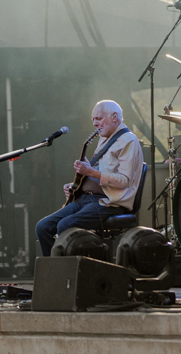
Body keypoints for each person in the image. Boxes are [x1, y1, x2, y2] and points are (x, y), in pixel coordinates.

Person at [35, 100, 143, 257]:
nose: (94, 123)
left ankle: (69, 269)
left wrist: (91, 172)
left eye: (98, 118)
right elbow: (100, 173)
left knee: (65, 225)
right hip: (88, 198)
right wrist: (76, 186)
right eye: (93, 119)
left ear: (114, 117)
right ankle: (54, 268)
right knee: (43, 227)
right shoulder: (105, 139)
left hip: (109, 202)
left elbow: (124, 180)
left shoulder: (129, 141)